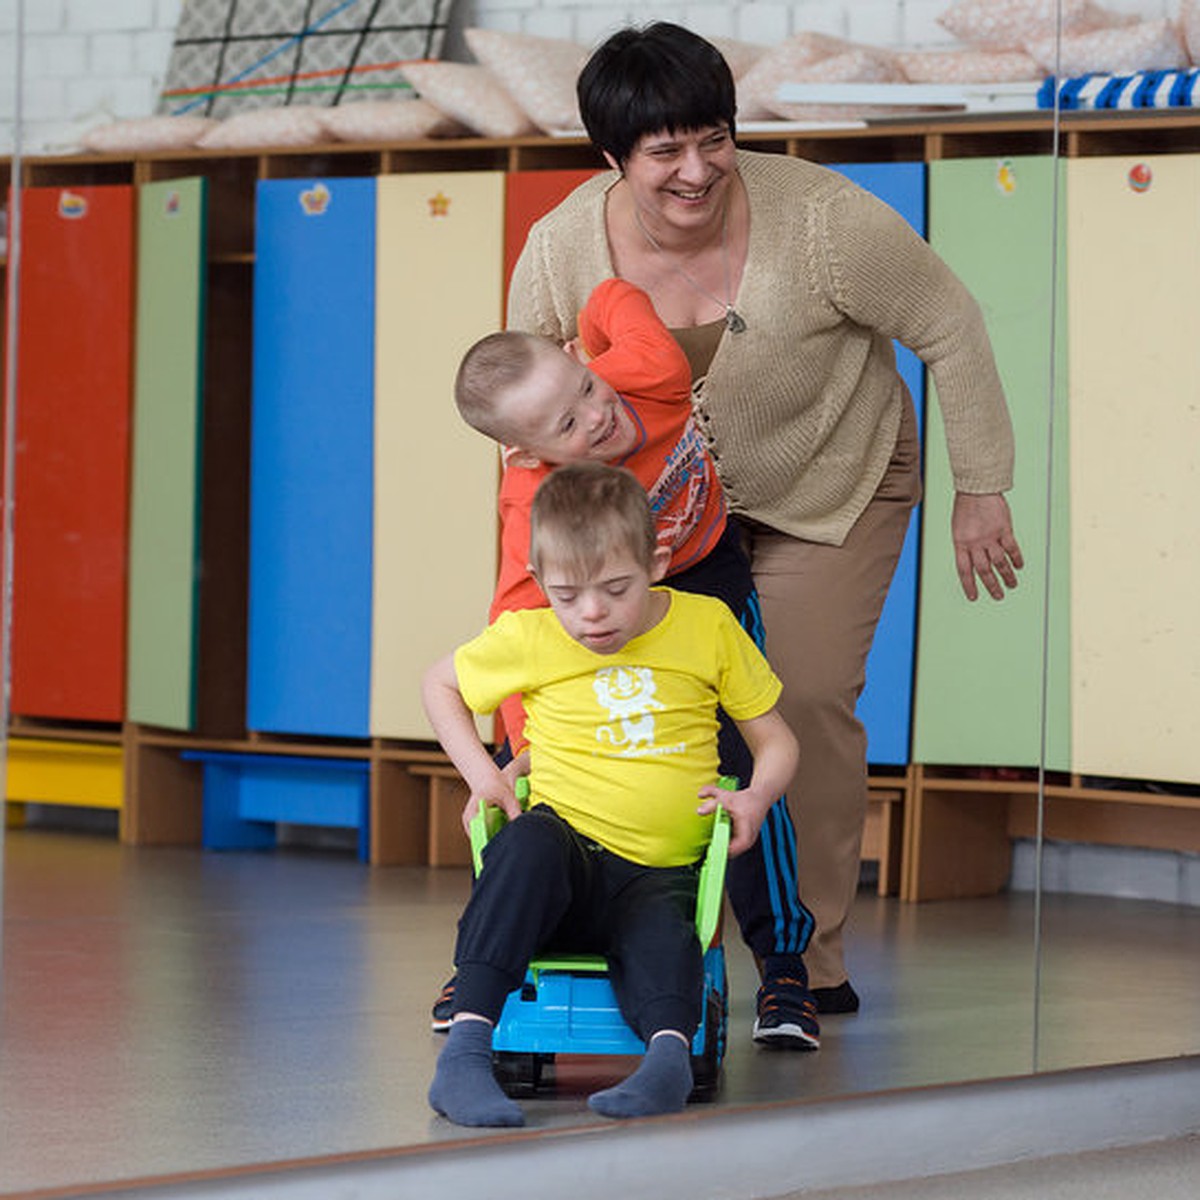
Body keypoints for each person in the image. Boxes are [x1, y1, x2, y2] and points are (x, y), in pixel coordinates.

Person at [506, 23, 1025, 1014]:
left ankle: (807, 958)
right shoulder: (564, 244)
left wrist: (982, 487)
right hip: (662, 517)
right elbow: (517, 403)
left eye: (715, 139)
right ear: (612, 158)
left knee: (800, 701)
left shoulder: (821, 219)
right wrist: (562, 540)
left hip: (834, 481)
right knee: (659, 700)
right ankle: (655, 934)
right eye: (665, 152)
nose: (697, 171)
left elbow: (950, 324)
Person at [439, 276, 819, 1049]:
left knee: (743, 761)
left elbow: (613, 292)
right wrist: (516, 757)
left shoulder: (645, 371)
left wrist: (590, 338)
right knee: (530, 803)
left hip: (701, 576)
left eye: (585, 386)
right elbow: (524, 636)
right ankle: (491, 957)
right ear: (526, 453)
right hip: (594, 599)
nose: (599, 416)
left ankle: (782, 966)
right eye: (568, 423)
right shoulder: (535, 513)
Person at [422, 463, 800, 1126]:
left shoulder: (706, 626)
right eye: (566, 595)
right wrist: (484, 774)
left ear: (656, 562)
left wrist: (757, 796)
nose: (591, 613)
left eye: (615, 589)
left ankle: (666, 1063)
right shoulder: (532, 635)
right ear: (540, 583)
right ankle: (464, 1055)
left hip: (660, 870)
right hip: (562, 863)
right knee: (527, 841)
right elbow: (440, 684)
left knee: (667, 930)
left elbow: (778, 741)